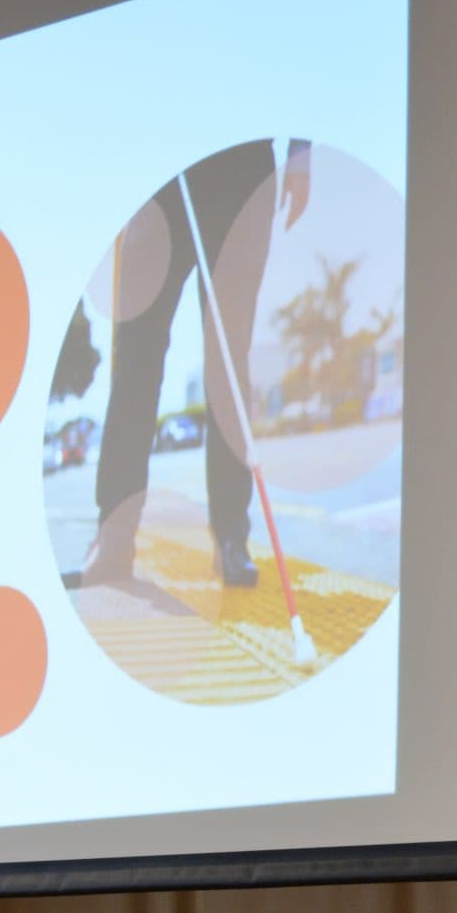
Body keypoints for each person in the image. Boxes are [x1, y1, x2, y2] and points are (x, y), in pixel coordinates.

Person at [84, 137, 311, 591]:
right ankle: (114, 532)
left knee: (229, 359)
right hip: (160, 175)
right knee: (136, 357)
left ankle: (231, 534)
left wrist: (300, 155)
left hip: (242, 174)